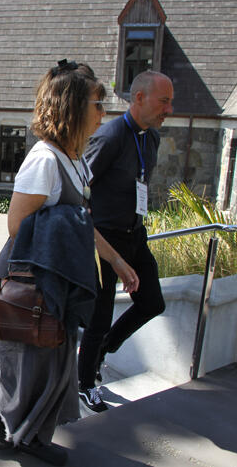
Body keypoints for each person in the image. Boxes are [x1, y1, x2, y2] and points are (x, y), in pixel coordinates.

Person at [0, 60, 138, 466]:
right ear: (73, 108)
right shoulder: (44, 160)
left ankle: (29, 435)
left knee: (54, 362)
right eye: (98, 104)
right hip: (32, 278)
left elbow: (81, 221)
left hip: (57, 275)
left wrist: (115, 259)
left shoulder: (75, 159)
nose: (104, 113)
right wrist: (70, 225)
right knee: (31, 364)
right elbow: (17, 224)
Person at [77, 70, 173, 413]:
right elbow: (79, 191)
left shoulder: (152, 138)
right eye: (164, 101)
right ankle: (85, 383)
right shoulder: (111, 136)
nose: (169, 109)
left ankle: (104, 348)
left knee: (152, 302)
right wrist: (95, 239)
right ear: (139, 98)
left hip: (135, 234)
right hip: (105, 242)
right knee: (99, 319)